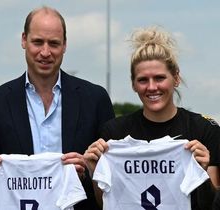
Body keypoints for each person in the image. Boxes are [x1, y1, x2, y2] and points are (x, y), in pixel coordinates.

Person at [0, 6, 114, 210]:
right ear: (24, 40)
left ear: (65, 45)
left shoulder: (95, 99)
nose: (45, 52)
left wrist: (88, 167)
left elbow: (111, 172)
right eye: (37, 42)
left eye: (53, 43)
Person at [84, 26, 220, 209]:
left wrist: (201, 172)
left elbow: (213, 203)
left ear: (176, 78)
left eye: (159, 78)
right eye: (142, 80)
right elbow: (107, 204)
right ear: (133, 84)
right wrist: (95, 172)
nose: (152, 87)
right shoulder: (114, 132)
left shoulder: (204, 129)